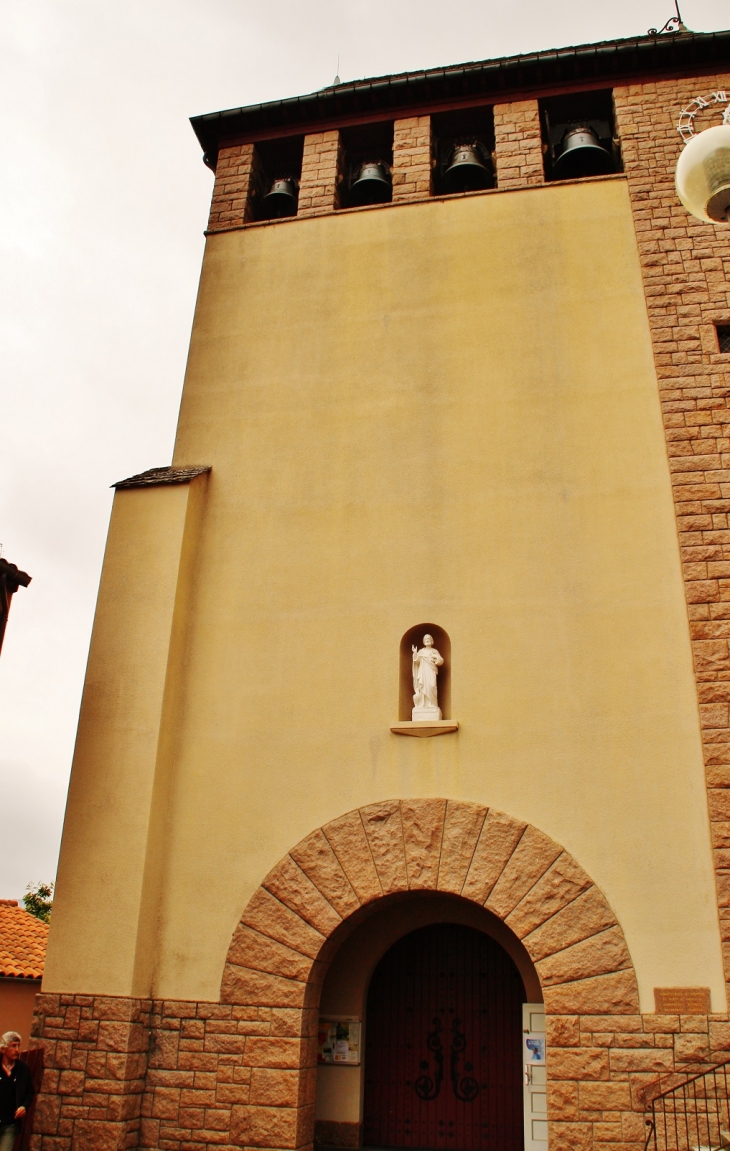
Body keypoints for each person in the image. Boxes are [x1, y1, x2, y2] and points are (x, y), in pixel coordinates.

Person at [0, 1032, 34, 1151]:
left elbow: (30, 1092)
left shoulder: (23, 1070)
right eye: (13, 1046)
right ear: (3, 1049)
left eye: (18, 1046)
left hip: (9, 1123)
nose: (17, 1050)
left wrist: (24, 1106)